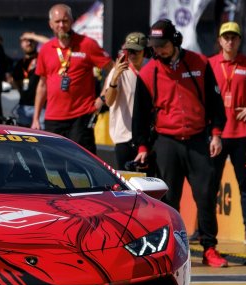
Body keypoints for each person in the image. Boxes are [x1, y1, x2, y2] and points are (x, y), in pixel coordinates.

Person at [132, 19, 228, 267]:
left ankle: (210, 248)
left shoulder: (199, 63)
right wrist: (143, 148)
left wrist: (216, 133)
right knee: (168, 199)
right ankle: (170, 249)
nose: (158, 51)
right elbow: (140, 115)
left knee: (206, 195)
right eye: (155, 47)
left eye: (163, 45)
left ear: (175, 41)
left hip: (198, 140)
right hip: (166, 141)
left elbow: (216, 104)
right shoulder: (147, 72)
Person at [208, 22, 246, 245]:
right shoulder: (209, 64)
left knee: (245, 185)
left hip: (243, 133)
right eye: (226, 37)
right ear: (220, 40)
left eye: (234, 37)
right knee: (210, 186)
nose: (230, 41)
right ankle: (205, 231)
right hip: (217, 134)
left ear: (239, 41)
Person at [32, 3, 113, 154]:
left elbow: (113, 69)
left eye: (65, 20)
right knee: (53, 164)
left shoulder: (87, 44)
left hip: (80, 117)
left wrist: (102, 98)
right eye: (57, 22)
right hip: (53, 118)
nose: (61, 25)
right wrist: (36, 118)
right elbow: (42, 85)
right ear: (51, 24)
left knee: (83, 163)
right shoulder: (45, 49)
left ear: (72, 21)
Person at [101, 31, 150, 173]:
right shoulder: (120, 70)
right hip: (124, 136)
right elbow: (109, 102)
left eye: (136, 51)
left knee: (149, 181)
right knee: (128, 182)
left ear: (144, 51)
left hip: (146, 136)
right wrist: (114, 79)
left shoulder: (150, 67)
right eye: (129, 51)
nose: (132, 55)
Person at [11, 32, 46, 127]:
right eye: (25, 41)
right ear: (21, 44)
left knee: (41, 137)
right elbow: (15, 81)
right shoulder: (20, 63)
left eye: (31, 41)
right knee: (23, 136)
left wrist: (33, 36)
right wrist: (21, 92)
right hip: (23, 106)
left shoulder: (42, 57)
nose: (29, 43)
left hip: (41, 107)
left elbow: (50, 43)